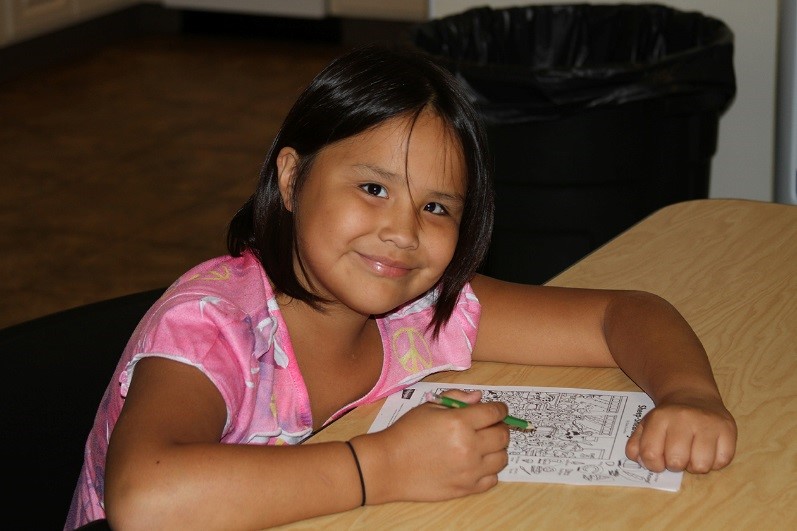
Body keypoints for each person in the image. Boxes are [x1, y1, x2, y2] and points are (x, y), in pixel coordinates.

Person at [65, 44, 737, 530]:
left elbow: (620, 314)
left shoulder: (418, 308)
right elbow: (144, 500)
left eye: (436, 207)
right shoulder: (214, 324)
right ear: (292, 179)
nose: (402, 232)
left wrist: (688, 394)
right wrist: (378, 467)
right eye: (373, 187)